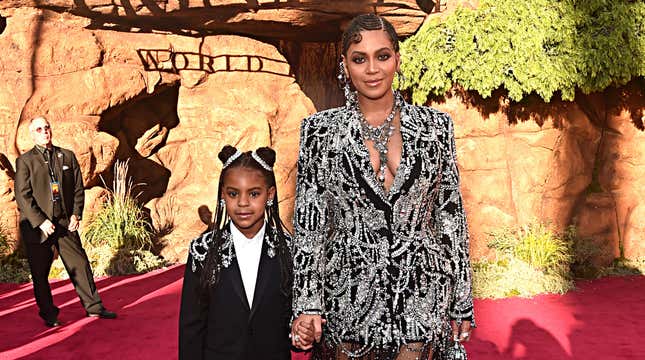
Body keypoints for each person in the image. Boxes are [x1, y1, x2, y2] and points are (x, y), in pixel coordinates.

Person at [290, 14, 475, 360]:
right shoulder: (319, 131)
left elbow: (450, 215)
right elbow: (309, 223)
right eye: (360, 59)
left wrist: (461, 300)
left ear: (397, 59)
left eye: (383, 56)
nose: (372, 68)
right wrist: (307, 302)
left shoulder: (435, 127)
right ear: (344, 65)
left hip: (423, 287)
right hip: (348, 290)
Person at [179, 145, 311, 359]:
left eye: (254, 194)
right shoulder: (203, 251)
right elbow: (191, 328)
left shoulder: (289, 250)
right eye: (233, 193)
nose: (242, 203)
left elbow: (292, 322)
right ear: (223, 194)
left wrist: (300, 334)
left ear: (270, 195)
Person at [14, 116, 117, 328]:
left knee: (80, 264)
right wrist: (41, 222)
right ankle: (49, 315)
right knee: (40, 274)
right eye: (39, 129)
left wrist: (76, 214)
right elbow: (23, 196)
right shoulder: (25, 161)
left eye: (47, 127)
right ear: (33, 134)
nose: (44, 132)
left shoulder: (66, 156)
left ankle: (94, 307)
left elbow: (78, 189)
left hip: (64, 223)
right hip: (39, 228)